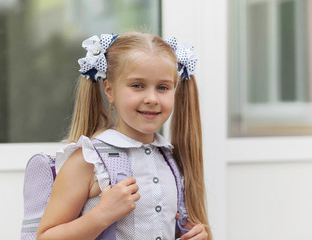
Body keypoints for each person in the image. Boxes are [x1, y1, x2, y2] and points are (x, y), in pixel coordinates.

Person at [37, 32, 211, 240]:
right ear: (109, 91)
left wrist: (188, 233)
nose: (152, 98)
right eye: (137, 85)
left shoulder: (170, 160)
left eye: (163, 87)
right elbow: (46, 236)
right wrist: (102, 214)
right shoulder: (90, 159)